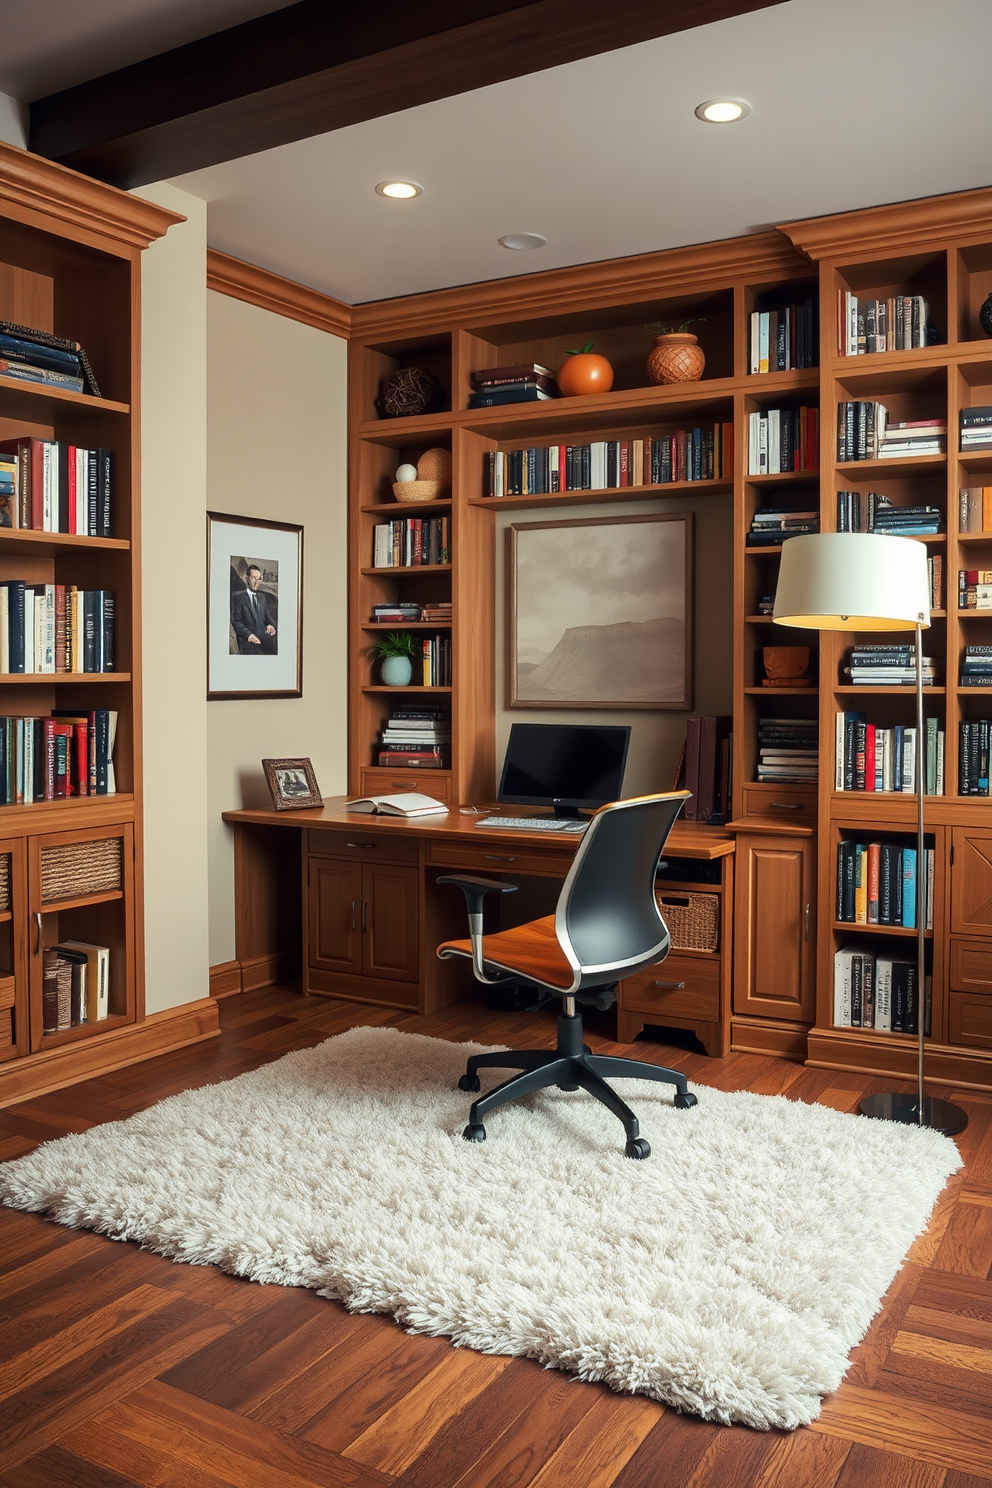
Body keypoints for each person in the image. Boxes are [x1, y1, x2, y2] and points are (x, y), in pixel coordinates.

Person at [231, 564, 277, 654]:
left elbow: (267, 617)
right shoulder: (238, 598)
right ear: (246, 578)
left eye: (258, 578)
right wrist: (249, 636)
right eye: (253, 578)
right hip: (248, 642)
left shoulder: (263, 597)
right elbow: (236, 621)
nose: (256, 582)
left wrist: (270, 626)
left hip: (265, 641)